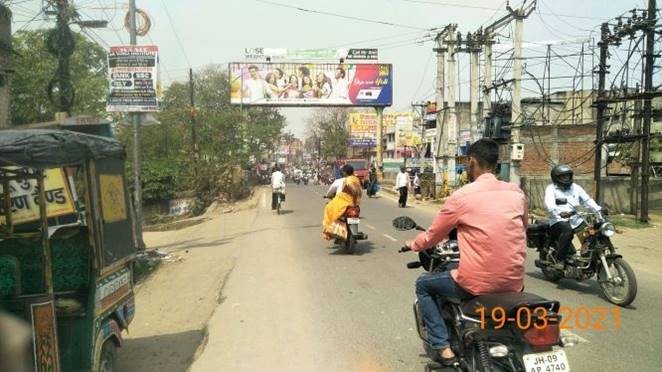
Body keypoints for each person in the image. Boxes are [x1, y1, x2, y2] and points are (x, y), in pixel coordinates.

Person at [404, 138, 528, 366]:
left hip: (476, 282)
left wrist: (414, 244)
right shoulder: (516, 193)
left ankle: (443, 347)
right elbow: (522, 228)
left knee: (424, 285)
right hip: (514, 282)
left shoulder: (462, 196)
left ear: (471, 162)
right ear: (496, 163)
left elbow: (434, 235)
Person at [544, 164, 601, 268]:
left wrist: (598, 209)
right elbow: (550, 205)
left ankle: (586, 256)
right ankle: (560, 260)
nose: (566, 178)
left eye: (568, 176)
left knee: (592, 231)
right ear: (556, 177)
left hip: (576, 219)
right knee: (567, 231)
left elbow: (587, 200)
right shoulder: (551, 189)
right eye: (563, 176)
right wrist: (559, 213)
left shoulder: (576, 187)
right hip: (558, 220)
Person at [322, 165, 362, 240]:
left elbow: (353, 189)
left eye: (343, 171)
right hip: (354, 202)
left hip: (345, 201)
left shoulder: (348, 179)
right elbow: (359, 190)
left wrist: (354, 194)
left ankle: (330, 229)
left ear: (345, 172)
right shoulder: (356, 179)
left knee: (328, 208)